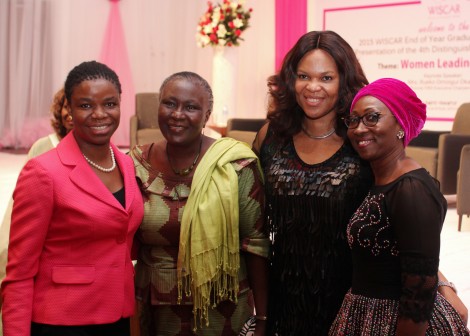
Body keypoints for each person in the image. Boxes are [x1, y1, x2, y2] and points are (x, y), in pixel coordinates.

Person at [1, 60, 144, 336]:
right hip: (62, 320)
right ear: (68, 108)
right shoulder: (43, 172)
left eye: (110, 104)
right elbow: (19, 273)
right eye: (86, 105)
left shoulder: (126, 164)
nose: (100, 114)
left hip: (118, 315)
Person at [129, 71, 269, 335]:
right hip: (154, 309)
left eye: (191, 107)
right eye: (169, 103)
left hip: (222, 309)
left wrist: (262, 317)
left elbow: (256, 245)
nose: (177, 114)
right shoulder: (136, 163)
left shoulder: (236, 165)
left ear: (207, 115)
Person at [252, 30, 372, 335]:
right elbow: (253, 227)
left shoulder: (361, 141)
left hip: (347, 303)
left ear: (344, 81)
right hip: (282, 300)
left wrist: (437, 278)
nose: (313, 87)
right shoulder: (271, 137)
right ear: (290, 80)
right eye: (303, 76)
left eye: (326, 78)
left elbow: (396, 220)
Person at [329, 78, 469, 335]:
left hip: (399, 322)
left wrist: (443, 286)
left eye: (372, 117)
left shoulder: (411, 189)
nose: (360, 128)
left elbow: (420, 292)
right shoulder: (381, 176)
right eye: (354, 119)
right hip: (367, 315)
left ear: (400, 126)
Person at [28, 87, 74, 158]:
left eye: (77, 108)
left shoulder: (94, 150)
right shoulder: (41, 147)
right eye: (66, 107)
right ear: (60, 110)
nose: (70, 113)